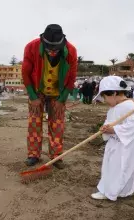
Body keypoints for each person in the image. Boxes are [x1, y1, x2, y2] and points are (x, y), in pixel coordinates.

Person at [22, 24, 77, 168]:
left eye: (55, 49)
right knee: (34, 123)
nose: (52, 51)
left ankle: (56, 156)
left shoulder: (71, 50)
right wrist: (32, 96)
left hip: (58, 92)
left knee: (57, 124)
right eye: (49, 48)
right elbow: (25, 73)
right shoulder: (31, 47)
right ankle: (33, 154)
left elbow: (72, 76)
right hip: (37, 90)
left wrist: (62, 98)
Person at [91, 76, 134, 201]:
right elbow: (109, 122)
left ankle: (112, 192)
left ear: (114, 93)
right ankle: (111, 189)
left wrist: (114, 130)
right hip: (114, 143)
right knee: (111, 166)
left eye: (105, 97)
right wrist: (105, 128)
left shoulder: (131, 107)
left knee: (122, 167)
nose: (104, 101)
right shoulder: (114, 108)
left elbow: (133, 127)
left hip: (126, 146)